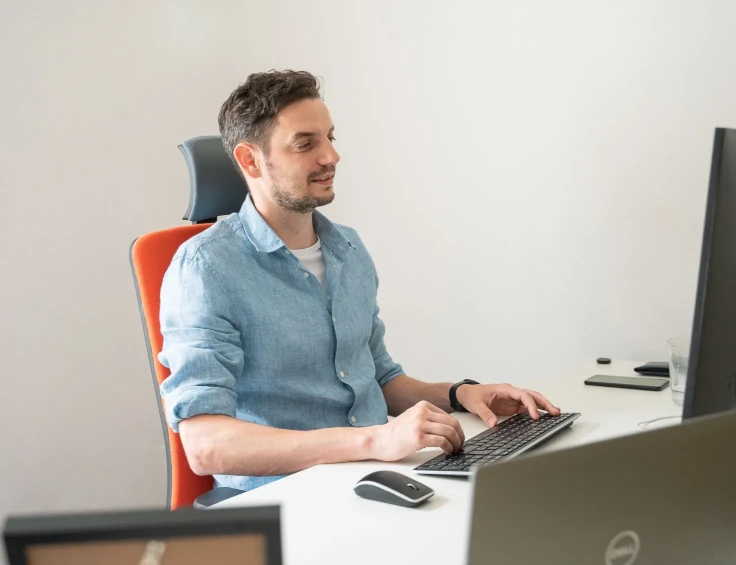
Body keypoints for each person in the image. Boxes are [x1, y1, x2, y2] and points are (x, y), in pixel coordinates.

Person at [158, 70, 562, 491]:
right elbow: (205, 446)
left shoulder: (347, 249)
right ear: (249, 160)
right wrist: (375, 438)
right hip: (289, 498)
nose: (331, 156)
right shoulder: (205, 269)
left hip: (378, 476)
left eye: (331, 137)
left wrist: (462, 394)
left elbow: (379, 379)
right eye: (306, 143)